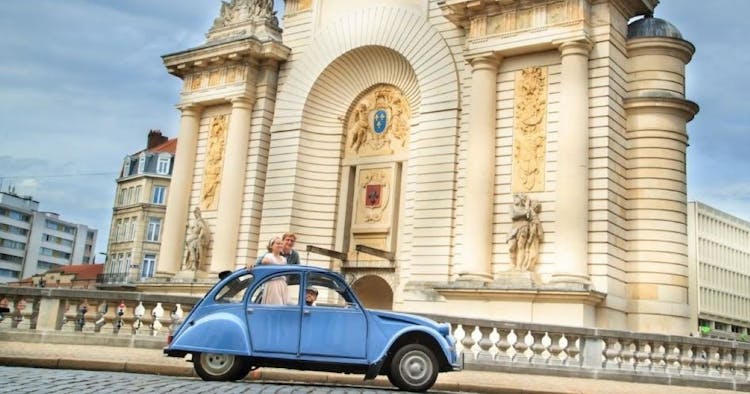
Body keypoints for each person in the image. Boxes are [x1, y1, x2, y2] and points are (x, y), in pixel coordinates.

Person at [259, 236, 288, 305]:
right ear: (271, 246)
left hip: (282, 284)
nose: (280, 245)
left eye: (281, 244)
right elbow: (264, 262)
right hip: (273, 283)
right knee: (276, 303)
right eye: (277, 244)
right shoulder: (269, 256)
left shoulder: (284, 259)